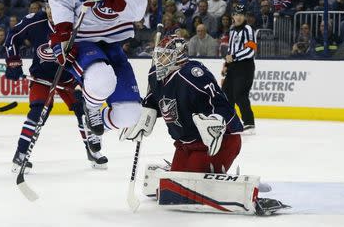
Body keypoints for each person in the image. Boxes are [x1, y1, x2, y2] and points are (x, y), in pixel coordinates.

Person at [119, 36, 288, 215]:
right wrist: (144, 114)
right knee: (176, 184)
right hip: (185, 144)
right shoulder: (155, 74)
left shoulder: (192, 74)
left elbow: (220, 103)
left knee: (186, 186)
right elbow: (157, 99)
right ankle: (179, 171)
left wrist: (216, 122)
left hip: (217, 143)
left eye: (165, 55)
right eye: (158, 55)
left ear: (179, 55)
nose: (159, 60)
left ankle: (237, 186)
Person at [48, 0, 150, 137]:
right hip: (83, 40)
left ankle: (94, 128)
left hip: (112, 43)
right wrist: (63, 33)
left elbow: (137, 12)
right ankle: (92, 108)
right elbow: (59, 1)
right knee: (102, 80)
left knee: (130, 115)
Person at [4, 4, 108, 173]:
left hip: (69, 76)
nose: (53, 13)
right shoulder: (35, 21)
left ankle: (93, 151)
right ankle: (21, 154)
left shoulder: (76, 21)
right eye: (49, 9)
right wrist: (13, 62)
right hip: (42, 77)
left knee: (84, 110)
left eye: (57, 9)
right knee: (37, 112)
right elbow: (13, 35)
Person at [222, 4, 256, 132]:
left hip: (245, 66)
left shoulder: (248, 29)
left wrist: (234, 57)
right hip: (233, 67)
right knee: (226, 93)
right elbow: (230, 50)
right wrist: (226, 64)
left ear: (245, 16)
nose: (239, 17)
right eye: (236, 14)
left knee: (240, 94)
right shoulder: (232, 30)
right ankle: (230, 121)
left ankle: (249, 122)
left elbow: (251, 50)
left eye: (241, 14)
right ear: (232, 16)